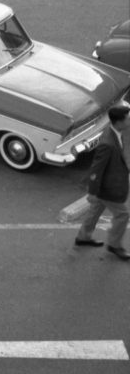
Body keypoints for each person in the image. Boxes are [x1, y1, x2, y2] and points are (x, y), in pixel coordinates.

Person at [75, 104, 130, 261]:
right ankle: (114, 245)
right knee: (122, 215)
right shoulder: (107, 144)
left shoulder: (116, 131)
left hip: (106, 185)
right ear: (119, 122)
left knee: (95, 211)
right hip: (107, 188)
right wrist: (92, 192)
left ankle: (83, 237)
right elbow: (95, 170)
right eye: (128, 118)